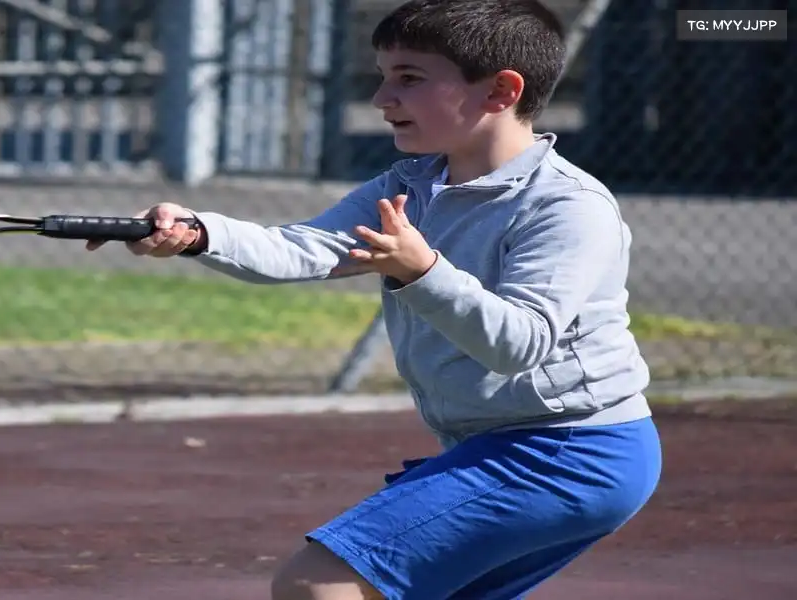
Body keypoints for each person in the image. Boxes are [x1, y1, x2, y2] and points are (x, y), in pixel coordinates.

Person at [87, 0, 663, 597]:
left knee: (319, 587)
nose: (382, 98)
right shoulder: (410, 183)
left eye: (409, 79)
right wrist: (198, 231)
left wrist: (423, 271)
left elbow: (521, 344)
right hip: (507, 445)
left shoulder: (567, 207)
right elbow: (301, 249)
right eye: (384, 75)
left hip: (570, 450)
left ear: (500, 91)